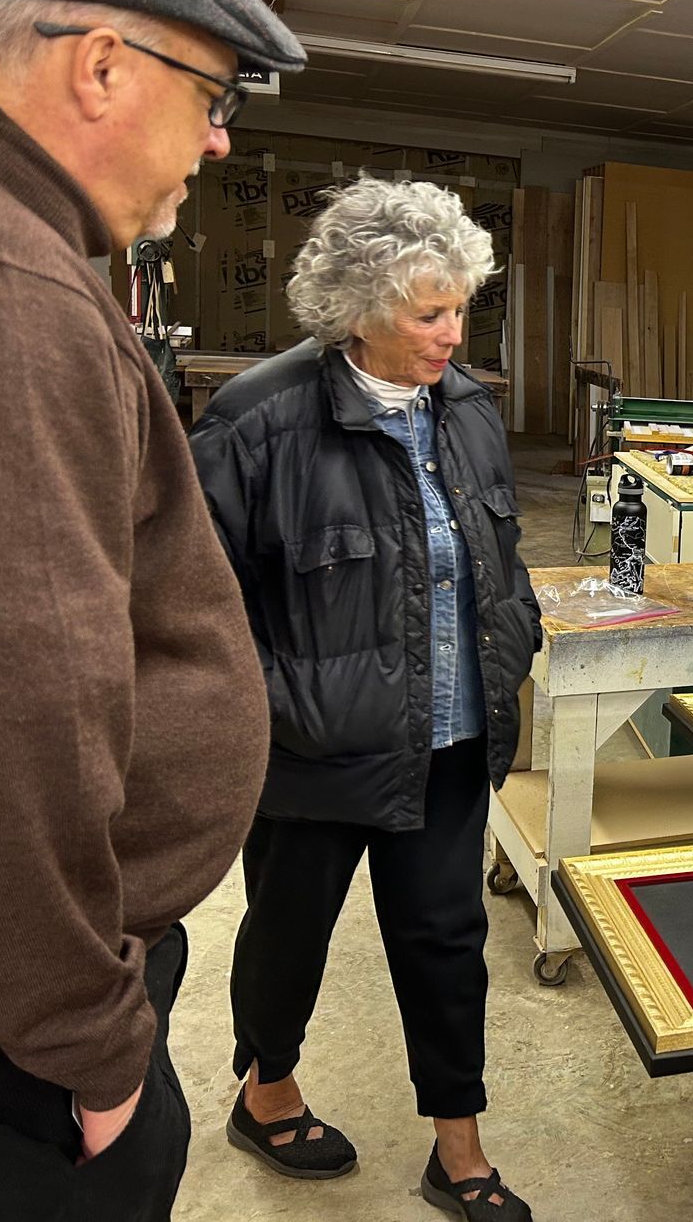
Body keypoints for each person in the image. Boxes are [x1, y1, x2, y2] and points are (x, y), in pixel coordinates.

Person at [0, 0, 305, 1220]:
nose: (217, 143)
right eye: (213, 96)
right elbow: (6, 705)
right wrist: (84, 1048)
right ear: (99, 67)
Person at [190, 176, 543, 1220]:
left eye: (461, 308)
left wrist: (513, 637)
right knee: (287, 933)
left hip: (450, 736)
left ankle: (458, 1150)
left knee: (447, 942)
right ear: (357, 309)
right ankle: (267, 1094)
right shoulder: (258, 421)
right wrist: (278, 707)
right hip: (316, 749)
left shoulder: (466, 407)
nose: (453, 334)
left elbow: (503, 555)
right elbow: (195, 606)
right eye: (429, 314)